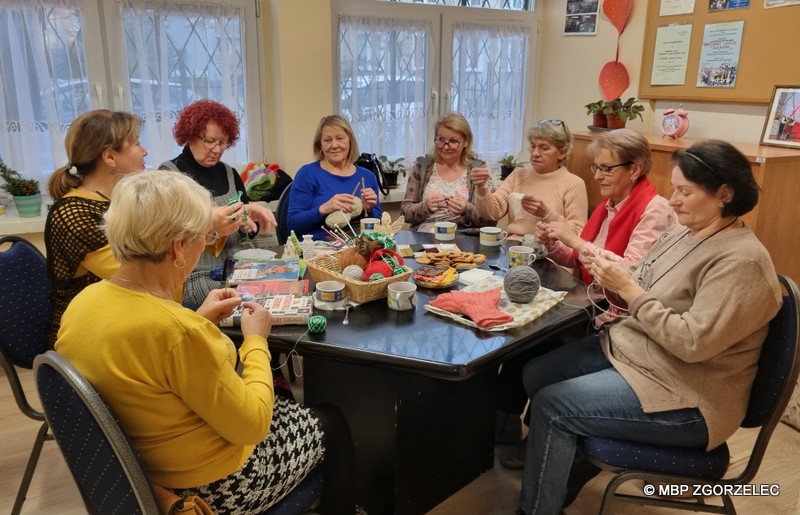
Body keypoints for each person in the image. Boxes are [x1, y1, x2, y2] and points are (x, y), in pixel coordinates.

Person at [55, 170, 356, 514]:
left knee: (289, 405)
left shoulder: (84, 303)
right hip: (212, 486)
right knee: (331, 420)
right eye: (205, 235)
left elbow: (147, 359)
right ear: (178, 247)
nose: (207, 242)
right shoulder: (177, 332)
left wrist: (198, 317)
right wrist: (255, 340)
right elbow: (254, 424)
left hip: (140, 471)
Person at [516, 139, 782, 515]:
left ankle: (539, 507)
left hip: (690, 396)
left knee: (553, 406)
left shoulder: (742, 261)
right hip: (641, 356)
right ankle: (561, 477)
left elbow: (690, 343)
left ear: (725, 193)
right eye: (674, 188)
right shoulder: (683, 233)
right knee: (538, 372)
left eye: (685, 192)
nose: (673, 200)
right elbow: (636, 276)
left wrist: (627, 287)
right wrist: (610, 271)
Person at [494, 129, 677, 466]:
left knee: (538, 351)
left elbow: (630, 275)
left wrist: (573, 240)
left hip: (621, 320)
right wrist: (554, 243)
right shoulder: (610, 206)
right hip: (591, 304)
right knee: (520, 341)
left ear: (635, 169)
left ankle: (542, 440)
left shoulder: (655, 209)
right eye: (596, 168)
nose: (597, 176)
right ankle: (502, 426)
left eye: (606, 169)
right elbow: (580, 260)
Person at [45, 109, 149, 345]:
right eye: (136, 143)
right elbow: (141, 281)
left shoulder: (111, 200)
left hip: (118, 320)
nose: (144, 151)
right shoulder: (73, 215)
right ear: (110, 157)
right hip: (87, 340)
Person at [159, 99, 276, 307]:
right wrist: (212, 223)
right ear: (190, 135)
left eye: (223, 143)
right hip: (195, 277)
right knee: (256, 302)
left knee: (278, 289)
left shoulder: (229, 173)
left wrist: (249, 225)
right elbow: (167, 236)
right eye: (209, 141)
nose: (217, 149)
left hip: (238, 270)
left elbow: (245, 224)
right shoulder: (170, 175)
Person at [470, 119, 588, 241]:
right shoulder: (518, 176)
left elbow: (578, 233)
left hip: (550, 253)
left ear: (562, 153)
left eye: (544, 148)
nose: (535, 153)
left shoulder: (574, 184)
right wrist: (481, 188)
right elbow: (492, 213)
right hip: (512, 248)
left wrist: (547, 214)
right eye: (533, 146)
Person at [287, 115, 381, 240]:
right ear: (320, 145)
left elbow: (378, 224)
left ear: (350, 141)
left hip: (359, 245)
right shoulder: (307, 174)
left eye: (340, 138)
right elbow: (292, 224)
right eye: (327, 140)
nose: (334, 145)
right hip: (319, 247)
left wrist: (369, 208)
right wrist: (323, 209)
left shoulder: (367, 176)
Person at [400, 112, 496, 232]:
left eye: (453, 141)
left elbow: (491, 220)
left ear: (466, 142)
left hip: (463, 238)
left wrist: (467, 209)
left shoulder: (478, 170)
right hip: (425, 236)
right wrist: (425, 207)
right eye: (441, 139)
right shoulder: (423, 167)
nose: (445, 147)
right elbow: (405, 213)